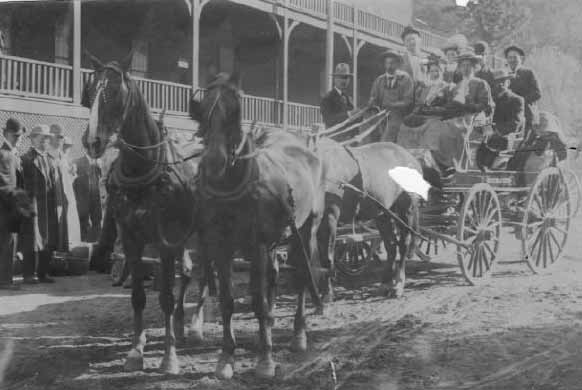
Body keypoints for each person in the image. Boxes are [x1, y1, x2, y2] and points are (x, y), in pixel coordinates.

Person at [20, 125, 57, 284]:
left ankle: (43, 272)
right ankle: (28, 274)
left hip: (48, 206)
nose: (44, 141)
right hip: (32, 206)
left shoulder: (50, 159)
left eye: (47, 138)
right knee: (31, 239)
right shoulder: (26, 159)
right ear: (33, 139)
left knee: (48, 238)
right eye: (41, 138)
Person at [477, 68, 525, 170]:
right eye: (497, 82)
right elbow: (481, 118)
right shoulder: (490, 100)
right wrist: (481, 127)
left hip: (504, 140)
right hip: (484, 139)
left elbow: (515, 124)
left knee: (485, 157)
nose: (500, 85)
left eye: (503, 81)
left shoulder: (516, 100)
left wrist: (494, 130)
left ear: (508, 82)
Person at [368, 49, 414, 142]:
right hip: (381, 114)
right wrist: (372, 102)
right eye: (387, 63)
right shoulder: (379, 80)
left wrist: (392, 104)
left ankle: (383, 146)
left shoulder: (405, 78)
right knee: (369, 129)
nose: (389, 66)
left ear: (397, 64)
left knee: (387, 137)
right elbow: (374, 97)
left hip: (399, 115)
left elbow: (408, 101)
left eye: (392, 63)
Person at [0, 118, 25, 289]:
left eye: (19, 136)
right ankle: (4, 280)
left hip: (12, 206)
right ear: (7, 134)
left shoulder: (14, 154)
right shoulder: (3, 154)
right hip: (5, 207)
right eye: (16, 136)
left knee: (10, 243)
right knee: (5, 243)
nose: (18, 138)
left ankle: (6, 279)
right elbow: (3, 183)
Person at [505, 45, 541, 134]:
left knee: (523, 143)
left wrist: (520, 101)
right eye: (510, 57)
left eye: (515, 57)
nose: (512, 60)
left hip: (526, 114)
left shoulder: (528, 73)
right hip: (507, 115)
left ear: (521, 58)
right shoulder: (503, 73)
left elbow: (537, 93)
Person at [74, 149, 103, 242]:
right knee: (84, 223)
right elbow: (74, 182)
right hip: (83, 199)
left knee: (97, 221)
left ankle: (96, 244)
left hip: (96, 198)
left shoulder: (99, 162)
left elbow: (102, 179)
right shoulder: (78, 162)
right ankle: (83, 245)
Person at [320, 63, 354, 131]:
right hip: (334, 137)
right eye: (341, 77)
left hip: (349, 136)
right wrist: (348, 114)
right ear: (335, 79)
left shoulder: (349, 99)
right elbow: (328, 120)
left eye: (346, 77)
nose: (344, 80)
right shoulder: (327, 98)